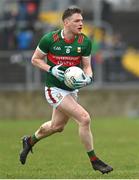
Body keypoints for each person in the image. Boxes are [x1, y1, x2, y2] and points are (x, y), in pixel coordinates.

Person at [19, 6, 113, 174]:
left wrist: (89, 77)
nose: (81, 23)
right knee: (84, 118)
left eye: (82, 20)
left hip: (70, 90)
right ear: (66, 22)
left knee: (57, 126)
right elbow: (35, 60)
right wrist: (51, 69)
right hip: (54, 89)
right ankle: (94, 160)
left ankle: (30, 141)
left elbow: (87, 67)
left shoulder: (84, 41)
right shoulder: (50, 39)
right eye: (77, 21)